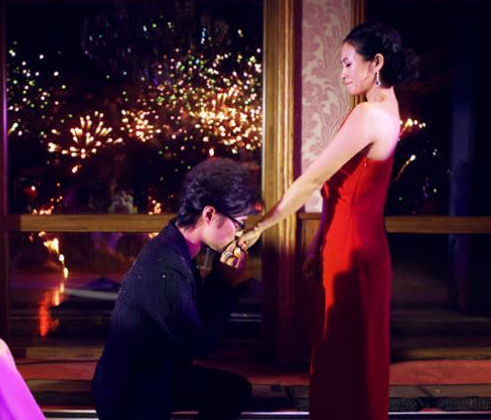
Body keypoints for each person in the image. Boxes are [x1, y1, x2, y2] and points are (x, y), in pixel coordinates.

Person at [225, 22, 419, 420]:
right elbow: (340, 191)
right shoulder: (391, 111)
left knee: (342, 359)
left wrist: (259, 228)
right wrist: (316, 246)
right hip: (362, 248)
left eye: (348, 63)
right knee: (354, 359)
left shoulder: (368, 114)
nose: (342, 73)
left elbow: (313, 180)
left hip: (351, 251)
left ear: (376, 63)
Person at [92, 158, 256, 420]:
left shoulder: (177, 245)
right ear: (209, 214)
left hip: (157, 374)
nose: (239, 234)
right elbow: (200, 345)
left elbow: (198, 319)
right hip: (129, 392)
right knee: (228, 391)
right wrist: (226, 283)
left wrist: (222, 278)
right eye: (239, 224)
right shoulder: (165, 266)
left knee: (233, 390)